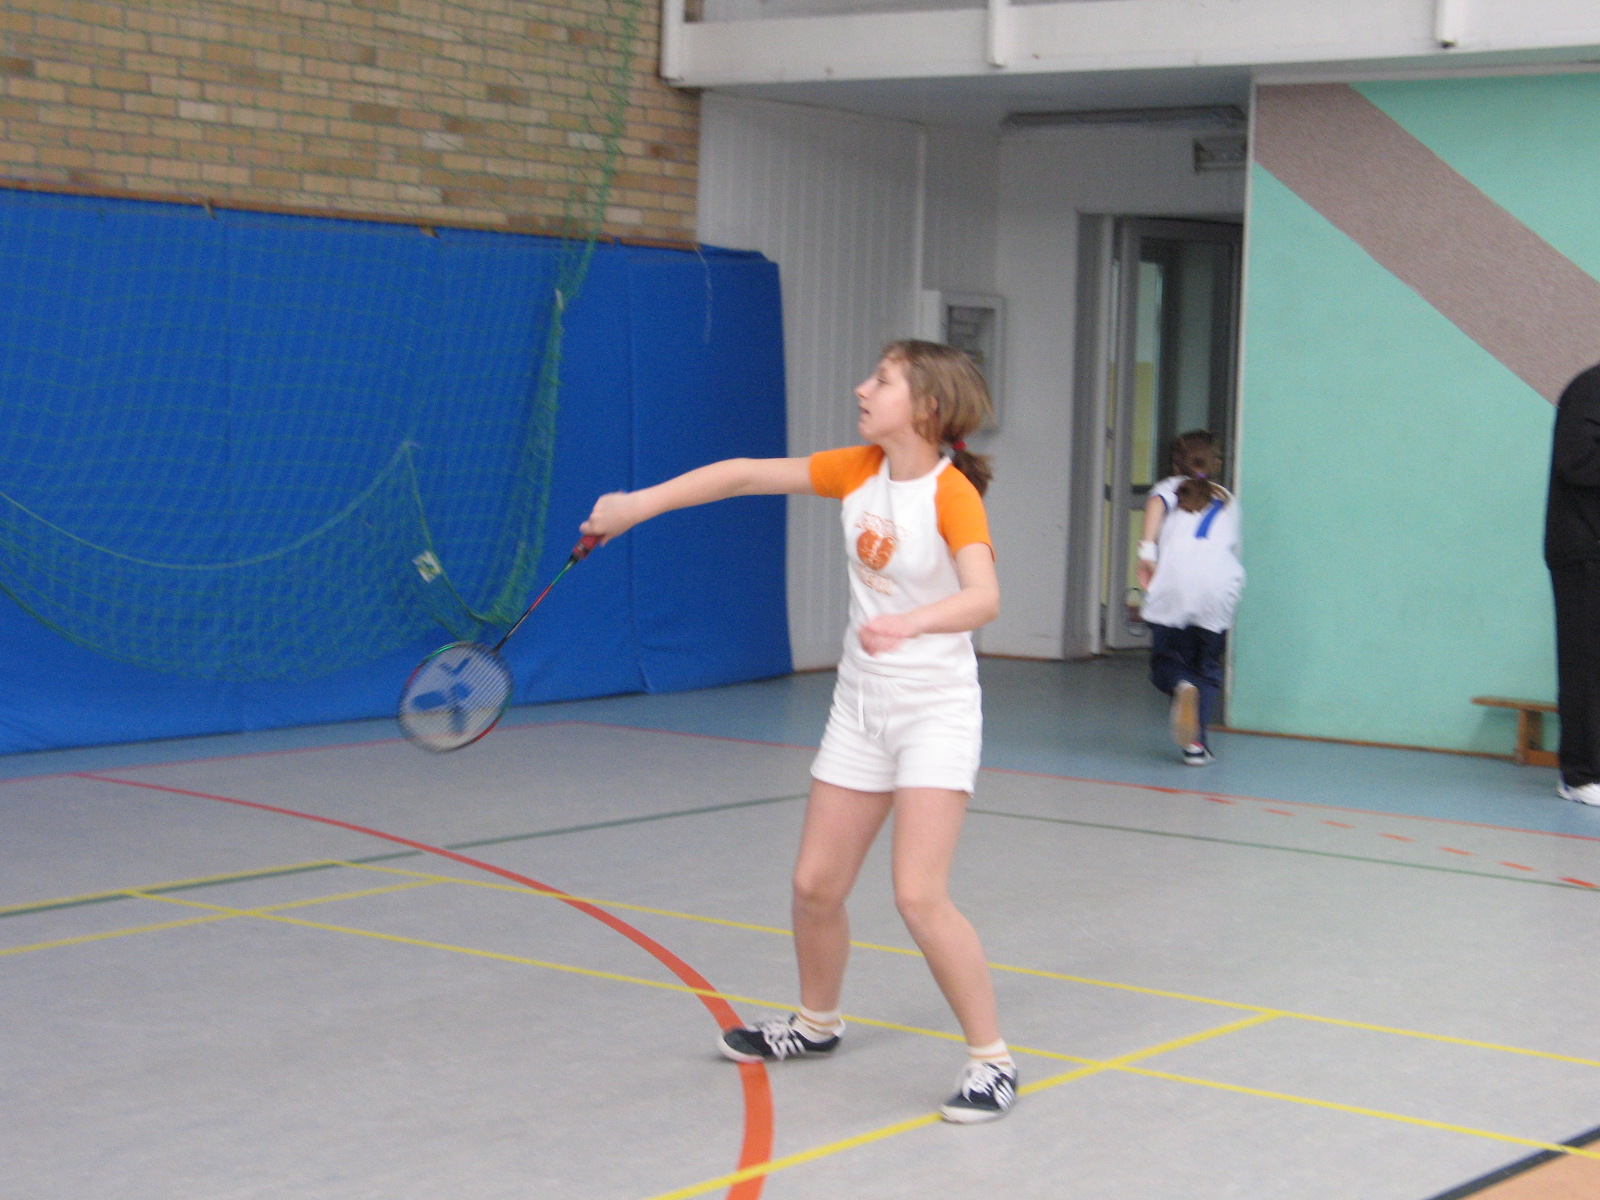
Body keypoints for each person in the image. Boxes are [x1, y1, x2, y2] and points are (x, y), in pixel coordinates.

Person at [581, 340, 1016, 1123]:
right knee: (816, 885)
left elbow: (983, 597)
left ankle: (992, 1061)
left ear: (926, 407)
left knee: (918, 895)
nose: (861, 388)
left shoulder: (951, 494)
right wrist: (637, 506)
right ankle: (817, 1024)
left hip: (934, 711)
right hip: (860, 706)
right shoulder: (857, 470)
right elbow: (743, 474)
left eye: (881, 380)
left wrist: (912, 622)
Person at [1136, 430, 1245, 765]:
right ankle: (1196, 746)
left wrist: (1146, 552)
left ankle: (1181, 685)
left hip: (1176, 586)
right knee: (1207, 669)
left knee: (1166, 663)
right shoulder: (1226, 498)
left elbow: (1156, 504)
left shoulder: (1171, 488)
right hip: (1220, 587)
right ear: (1216, 463)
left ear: (1176, 462)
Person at [1545, 361, 1600, 806]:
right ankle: (1580, 776)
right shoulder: (1591, 388)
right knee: (1586, 665)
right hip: (1584, 552)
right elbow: (1577, 464)